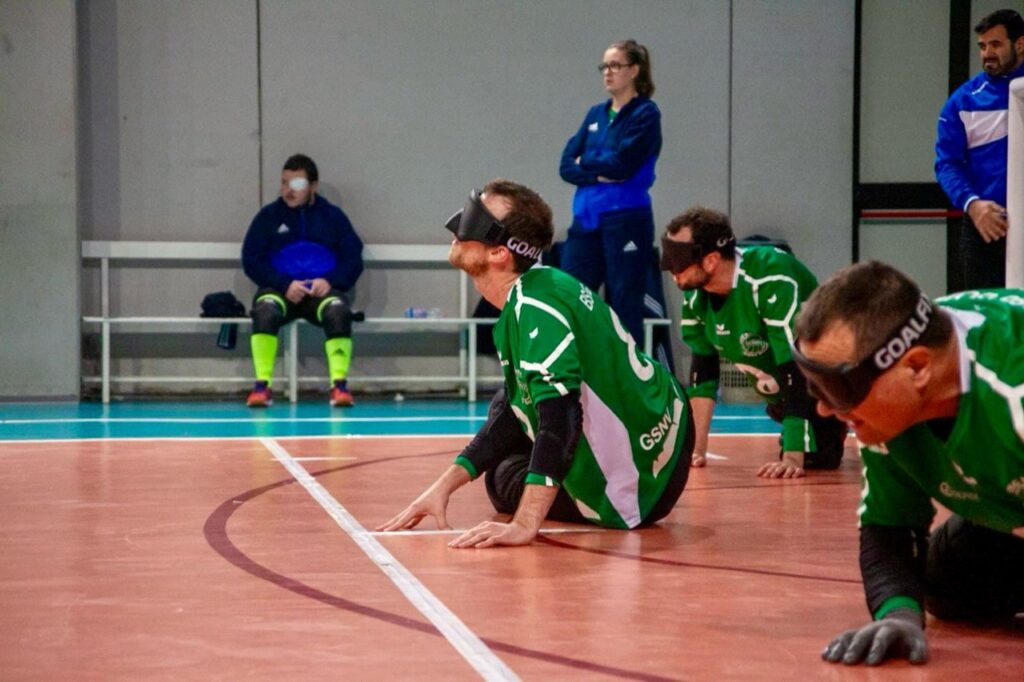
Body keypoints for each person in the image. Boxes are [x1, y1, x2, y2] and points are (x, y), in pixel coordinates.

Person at [378, 179, 693, 547]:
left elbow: (560, 418)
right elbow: (516, 410)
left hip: (640, 485)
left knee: (504, 478)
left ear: (499, 253)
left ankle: (598, 491)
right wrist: (444, 485)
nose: (458, 228)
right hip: (668, 429)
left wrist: (525, 523)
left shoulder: (534, 310)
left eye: (473, 221)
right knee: (510, 399)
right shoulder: (542, 285)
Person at [791, 261, 1024, 666]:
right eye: (814, 384)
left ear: (916, 366)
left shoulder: (1012, 386)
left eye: (838, 387)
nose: (825, 408)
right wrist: (898, 616)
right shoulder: (887, 403)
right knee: (950, 583)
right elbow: (889, 527)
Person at [660, 206, 847, 478]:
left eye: (678, 260)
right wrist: (695, 450)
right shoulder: (695, 296)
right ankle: (793, 418)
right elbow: (703, 373)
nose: (670, 269)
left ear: (711, 260)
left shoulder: (771, 278)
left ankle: (835, 420)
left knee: (820, 458)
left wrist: (794, 457)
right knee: (785, 408)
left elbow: (796, 365)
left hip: (824, 379)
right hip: (779, 388)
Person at [558, 39, 661, 345]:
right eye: (604, 66)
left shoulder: (646, 114)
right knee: (571, 298)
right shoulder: (594, 114)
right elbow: (565, 165)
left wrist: (586, 163)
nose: (607, 72)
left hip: (626, 219)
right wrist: (598, 171)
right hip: (586, 219)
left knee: (624, 303)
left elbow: (623, 165)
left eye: (615, 65)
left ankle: (627, 383)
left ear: (634, 70)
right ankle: (575, 378)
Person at [241, 154, 364, 407]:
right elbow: (251, 259)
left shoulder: (333, 218)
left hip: (321, 295)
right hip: (281, 292)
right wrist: (283, 284)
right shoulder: (268, 217)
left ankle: (339, 387)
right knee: (264, 310)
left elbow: (353, 258)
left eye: (296, 185)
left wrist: (330, 280)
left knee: (339, 311)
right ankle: (261, 387)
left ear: (313, 186)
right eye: (284, 183)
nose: (288, 190)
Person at [935, 9, 1024, 290]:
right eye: (982, 46)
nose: (987, 53)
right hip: (987, 228)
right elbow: (947, 163)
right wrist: (973, 205)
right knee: (989, 318)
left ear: (1020, 44)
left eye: (996, 44)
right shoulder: (963, 101)